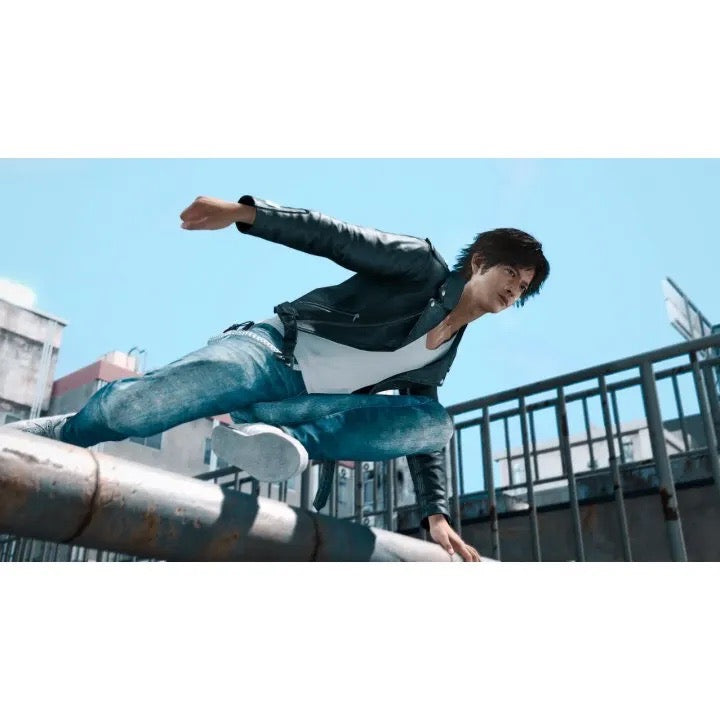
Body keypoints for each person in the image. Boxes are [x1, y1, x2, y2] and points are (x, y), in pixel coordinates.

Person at [9, 194, 550, 562]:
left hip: (300, 407)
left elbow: (418, 434)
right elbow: (335, 237)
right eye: (510, 273)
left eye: (523, 287)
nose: (514, 289)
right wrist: (245, 214)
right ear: (480, 262)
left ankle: (283, 439)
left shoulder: (444, 351)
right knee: (139, 408)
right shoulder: (421, 266)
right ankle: (59, 434)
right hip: (270, 353)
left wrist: (436, 515)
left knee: (433, 423)